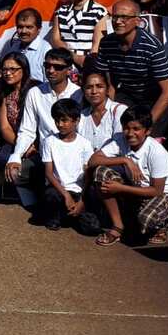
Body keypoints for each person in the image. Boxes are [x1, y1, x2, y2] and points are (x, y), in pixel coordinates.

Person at [89, 105, 168, 246]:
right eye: (126, 128)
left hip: (166, 194)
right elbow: (93, 161)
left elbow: (157, 191)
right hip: (138, 189)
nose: (130, 133)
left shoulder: (157, 152)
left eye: (136, 129)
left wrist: (120, 188)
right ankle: (117, 226)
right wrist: (125, 160)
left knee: (145, 220)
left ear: (148, 131)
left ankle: (162, 224)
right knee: (101, 172)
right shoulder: (120, 139)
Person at [5, 48, 83, 203]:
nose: (51, 70)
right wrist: (16, 156)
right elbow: (27, 130)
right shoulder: (35, 93)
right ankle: (32, 201)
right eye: (47, 65)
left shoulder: (79, 94)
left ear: (69, 70)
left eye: (57, 67)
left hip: (73, 158)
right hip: (45, 157)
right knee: (13, 171)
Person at [91, 0, 168, 133]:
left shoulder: (151, 46)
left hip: (155, 97)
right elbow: (109, 83)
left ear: (137, 21)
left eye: (124, 17)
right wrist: (110, 112)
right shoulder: (106, 43)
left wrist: (147, 125)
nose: (118, 21)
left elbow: (167, 92)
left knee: (144, 136)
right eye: (115, 17)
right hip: (128, 94)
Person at [38, 98, 98, 233]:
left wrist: (81, 201)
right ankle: (55, 217)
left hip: (78, 192)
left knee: (92, 228)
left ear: (76, 121)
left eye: (64, 120)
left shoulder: (85, 144)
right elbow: (49, 173)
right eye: (57, 120)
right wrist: (66, 195)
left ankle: (72, 214)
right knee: (50, 195)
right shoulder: (49, 142)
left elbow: (88, 175)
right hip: (59, 190)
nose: (60, 124)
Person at [49, 0, 106, 69]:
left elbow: (97, 44)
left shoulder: (100, 11)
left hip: (90, 63)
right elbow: (56, 40)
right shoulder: (60, 11)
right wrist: (74, 57)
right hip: (64, 64)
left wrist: (88, 63)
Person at [0, 8, 49, 85]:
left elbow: (48, 83)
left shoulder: (45, 50)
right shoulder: (12, 47)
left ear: (39, 29)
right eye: (20, 27)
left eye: (29, 27)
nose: (23, 31)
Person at [78, 71, 126, 152]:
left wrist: (99, 157)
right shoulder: (81, 116)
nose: (94, 91)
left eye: (99, 86)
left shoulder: (119, 110)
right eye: (89, 87)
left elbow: (120, 143)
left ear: (107, 89)